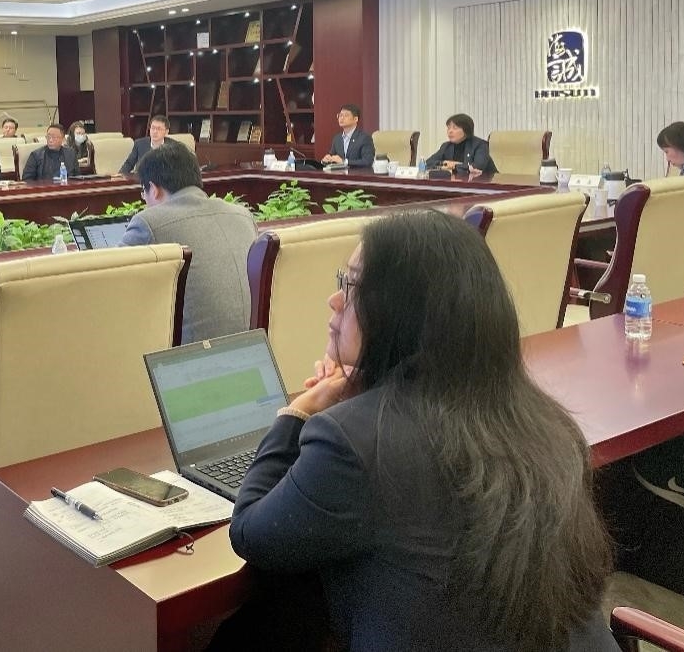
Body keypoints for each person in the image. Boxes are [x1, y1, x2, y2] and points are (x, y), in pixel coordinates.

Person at [227, 211, 615, 652]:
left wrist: (298, 411)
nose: (335, 300)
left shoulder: (353, 441)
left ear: (401, 311)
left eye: (353, 286)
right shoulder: (546, 422)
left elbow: (252, 533)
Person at [119, 144, 257, 344]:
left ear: (154, 189)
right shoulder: (243, 216)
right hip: (255, 345)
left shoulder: (149, 222)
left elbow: (110, 284)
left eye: (143, 192)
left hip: (193, 353)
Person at [424, 113, 497, 174]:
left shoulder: (480, 145)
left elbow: (477, 167)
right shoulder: (446, 146)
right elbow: (427, 163)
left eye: (455, 128)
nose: (450, 131)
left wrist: (454, 165)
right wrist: (444, 163)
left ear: (466, 130)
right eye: (448, 128)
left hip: (487, 184)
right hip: (459, 183)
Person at [320, 103, 375, 168]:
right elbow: (332, 155)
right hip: (340, 173)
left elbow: (367, 161)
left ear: (355, 119)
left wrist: (344, 162)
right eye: (340, 115)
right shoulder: (337, 138)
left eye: (346, 115)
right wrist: (326, 159)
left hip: (358, 173)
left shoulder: (364, 138)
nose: (341, 118)